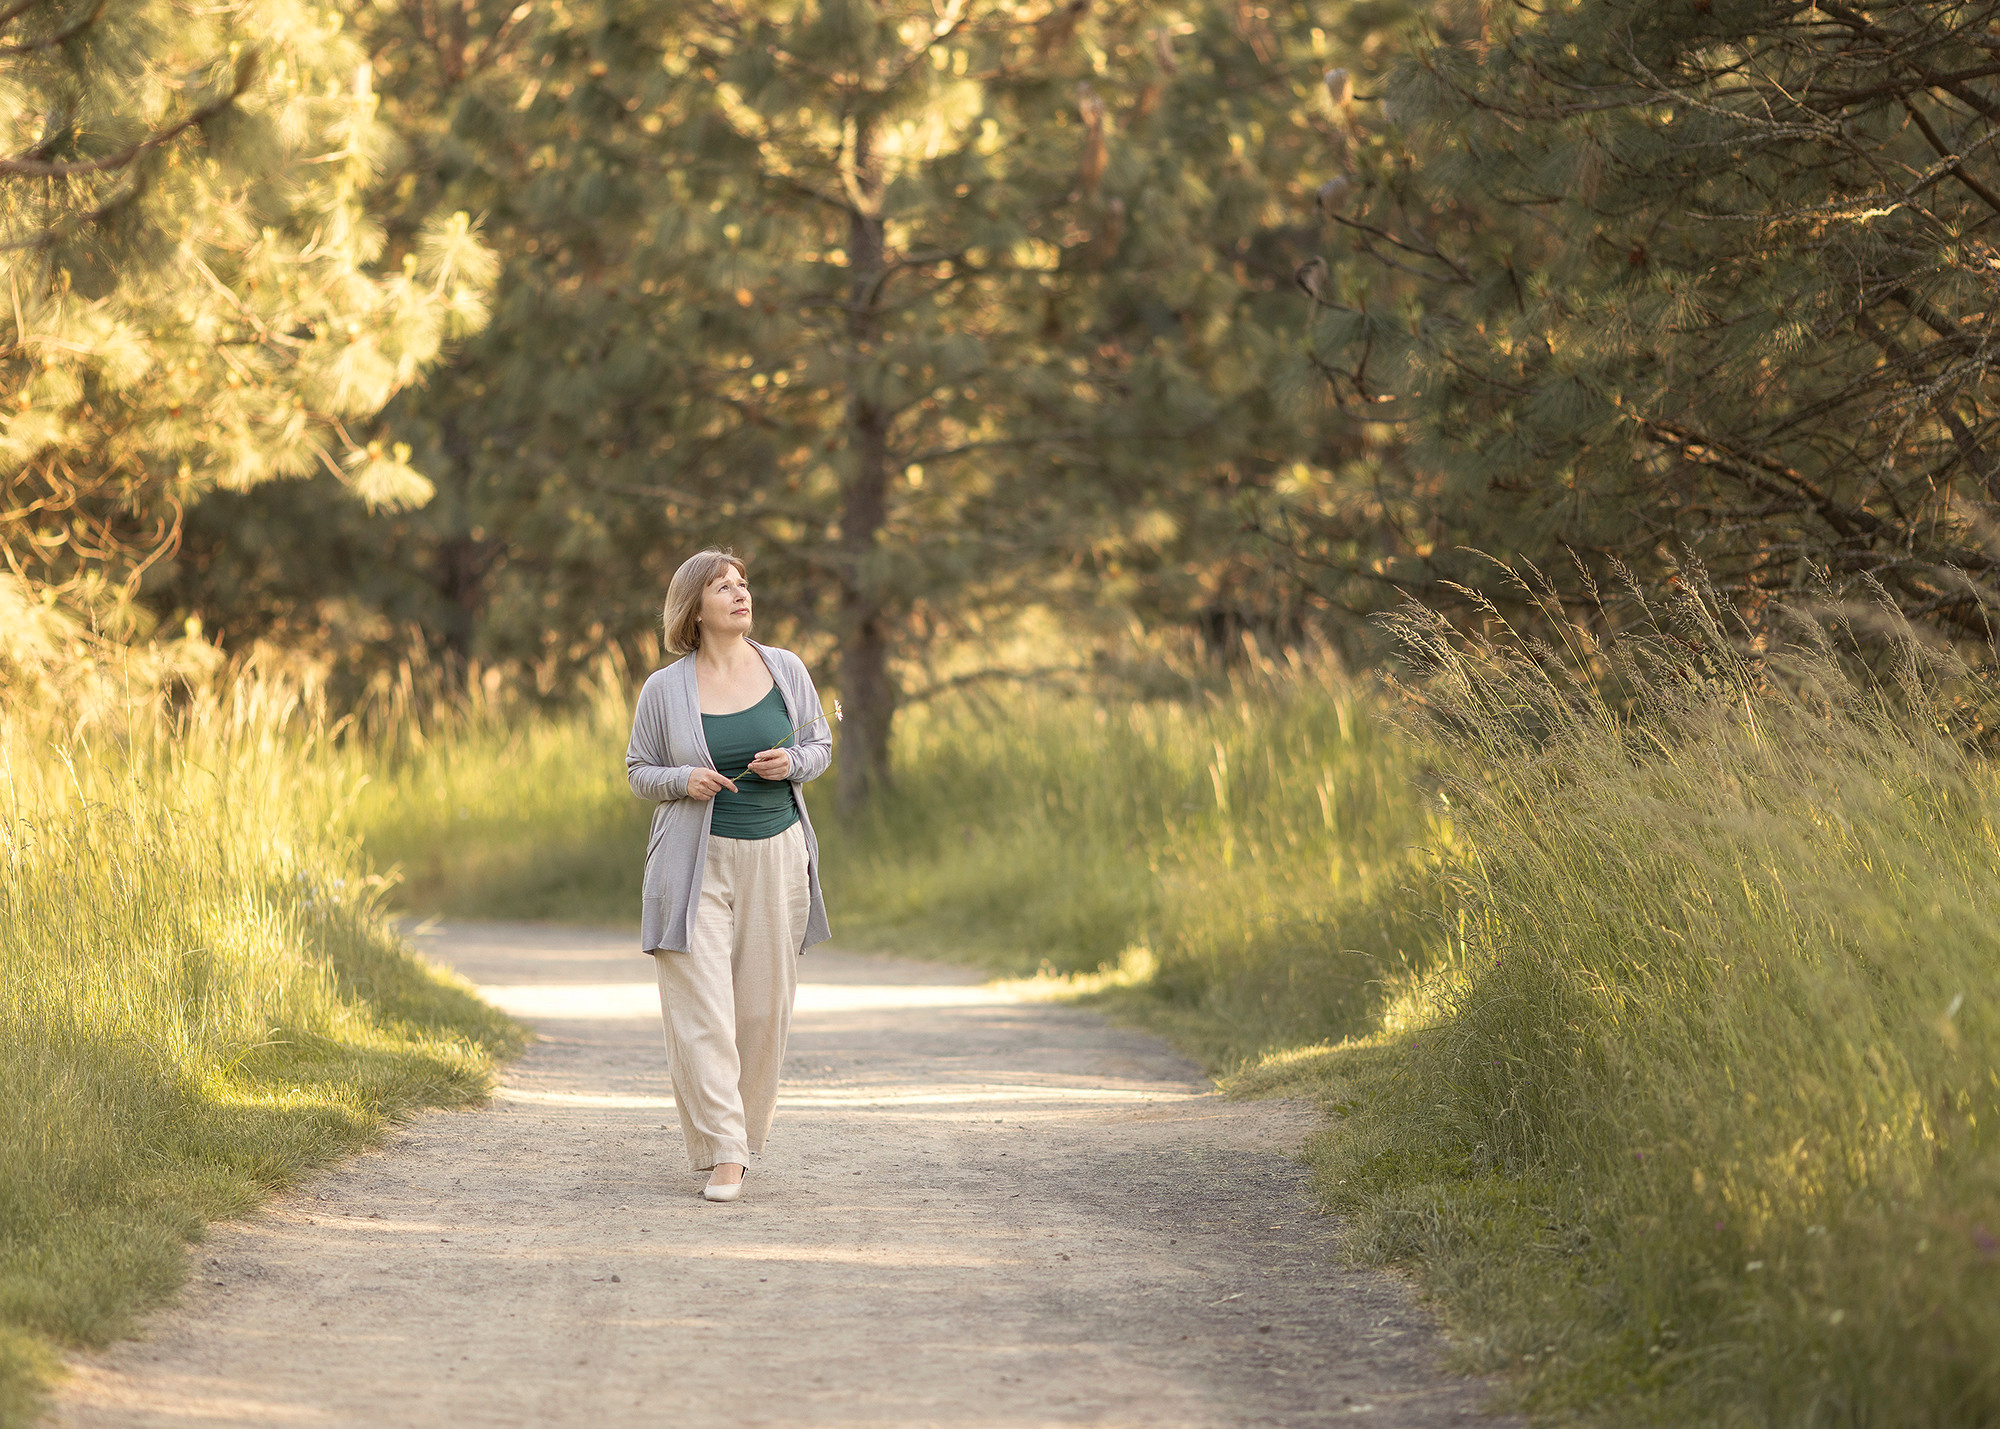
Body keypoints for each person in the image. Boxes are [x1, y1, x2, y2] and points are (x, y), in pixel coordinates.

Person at [625, 548, 832, 1201]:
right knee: (704, 1011)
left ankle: (742, 1136)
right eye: (723, 587)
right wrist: (682, 779)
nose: (741, 594)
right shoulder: (664, 688)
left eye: (743, 584)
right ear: (695, 606)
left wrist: (791, 762)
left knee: (762, 1011)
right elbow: (638, 770)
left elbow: (820, 745)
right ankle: (726, 1153)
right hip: (694, 861)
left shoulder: (785, 668)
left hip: (777, 855)